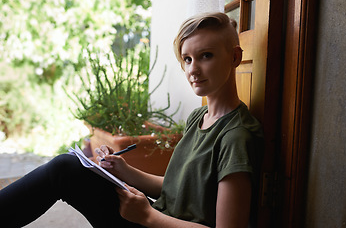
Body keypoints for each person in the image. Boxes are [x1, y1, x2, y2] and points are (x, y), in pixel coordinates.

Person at [0, 12, 263, 228]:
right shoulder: (199, 117)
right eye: (187, 59)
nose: (193, 68)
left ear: (235, 57)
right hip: (154, 215)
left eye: (206, 55)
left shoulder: (235, 137)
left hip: (155, 221)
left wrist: (148, 217)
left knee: (62, 170)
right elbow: (176, 187)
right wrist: (122, 170)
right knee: (67, 167)